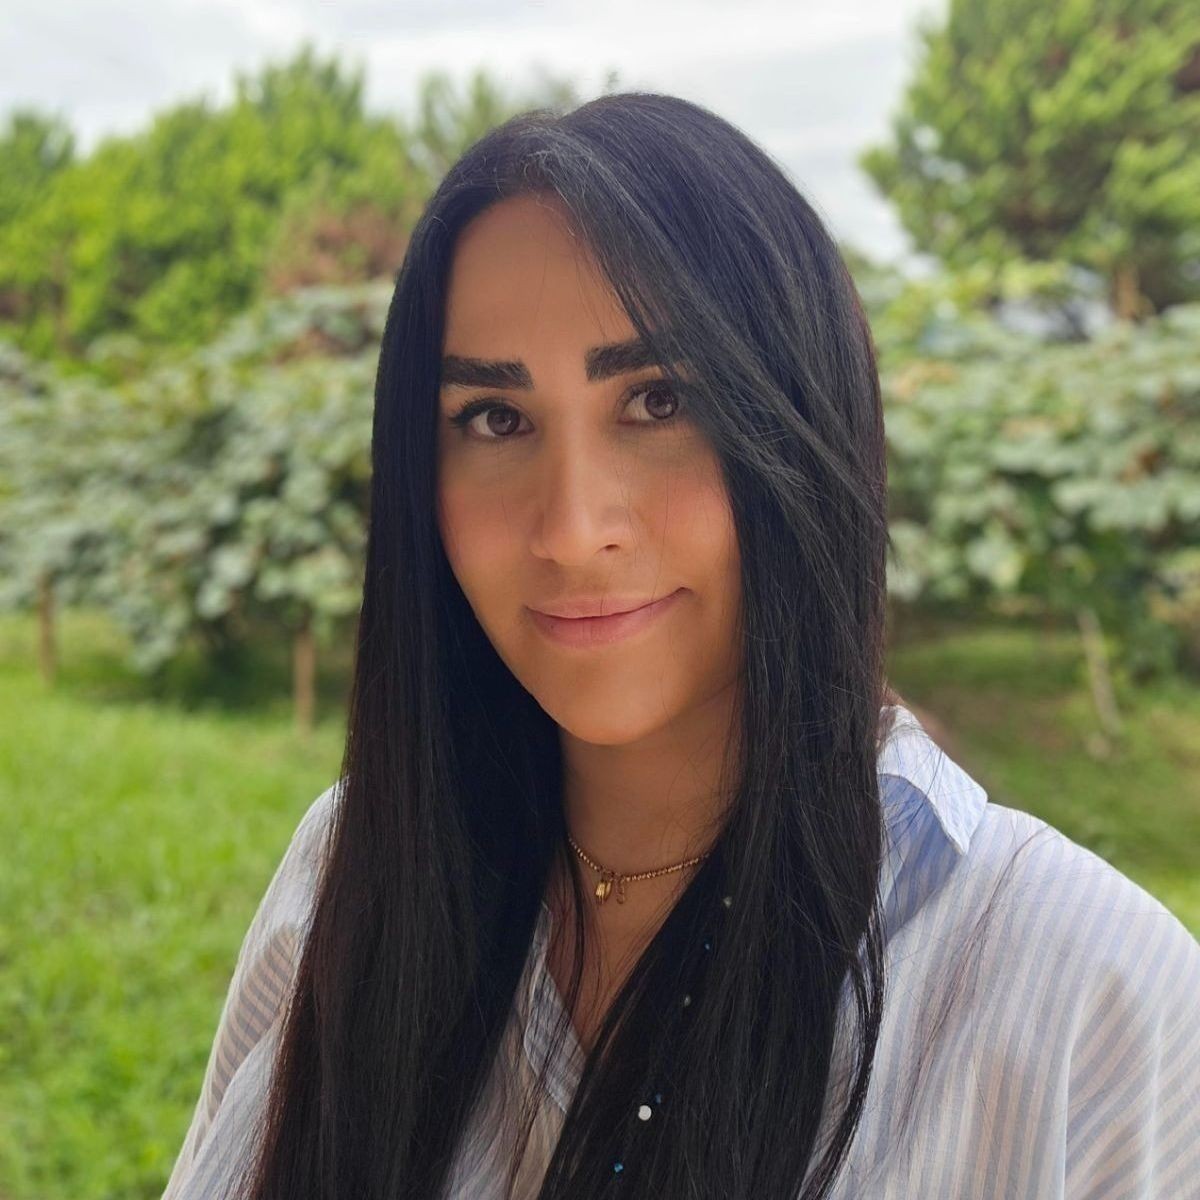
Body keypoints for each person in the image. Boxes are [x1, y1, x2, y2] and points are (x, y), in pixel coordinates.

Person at [161, 92, 1200, 1200]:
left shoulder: (1096, 996)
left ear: (803, 418)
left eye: (658, 400)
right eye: (495, 419)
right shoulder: (353, 867)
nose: (573, 530)